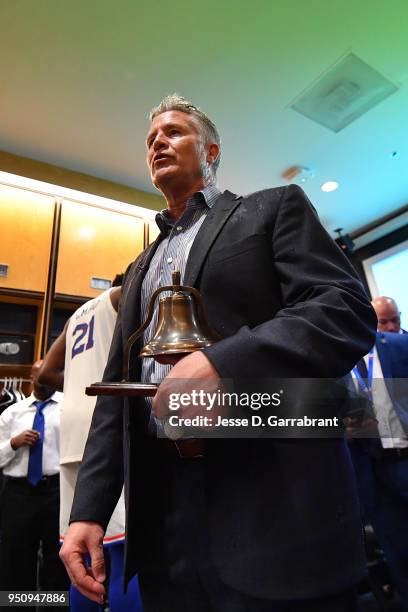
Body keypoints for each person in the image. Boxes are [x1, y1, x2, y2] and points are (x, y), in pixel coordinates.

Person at [61, 94, 377, 612]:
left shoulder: (272, 208)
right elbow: (115, 402)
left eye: (174, 132)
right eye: (151, 139)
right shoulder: (139, 267)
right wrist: (87, 511)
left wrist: (224, 363)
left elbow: (342, 309)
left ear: (211, 151)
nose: (158, 142)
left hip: (274, 509)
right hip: (163, 525)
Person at [39, 279, 142, 612]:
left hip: (71, 430)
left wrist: (80, 388)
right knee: (121, 553)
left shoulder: (76, 317)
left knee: (79, 553)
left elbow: (43, 374)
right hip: (106, 426)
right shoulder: (120, 295)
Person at [348, 331, 408, 611]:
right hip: (368, 468)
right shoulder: (330, 359)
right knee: (397, 551)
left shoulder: (398, 345)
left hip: (403, 457)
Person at [0, 360, 68, 592]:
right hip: (18, 493)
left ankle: (53, 608)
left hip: (57, 491)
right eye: (42, 377)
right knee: (15, 559)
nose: (47, 381)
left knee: (57, 559)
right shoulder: (12, 413)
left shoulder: (67, 409)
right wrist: (13, 443)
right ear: (32, 377)